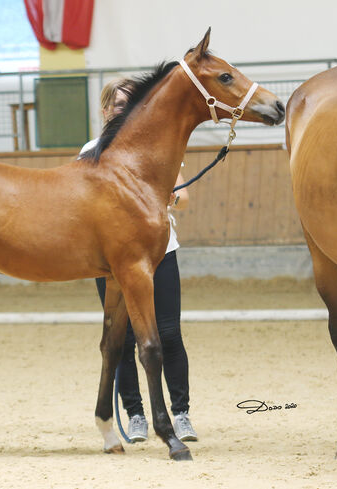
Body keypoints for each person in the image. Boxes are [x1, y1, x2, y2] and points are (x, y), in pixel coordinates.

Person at [81, 78, 197, 443]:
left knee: (169, 333)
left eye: (131, 104)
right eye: (118, 105)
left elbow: (184, 195)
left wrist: (169, 197)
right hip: (111, 259)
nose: (124, 110)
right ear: (105, 111)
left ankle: (181, 413)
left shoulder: (155, 147)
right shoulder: (91, 150)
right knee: (123, 336)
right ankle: (135, 415)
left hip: (159, 252)